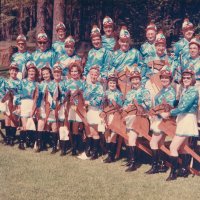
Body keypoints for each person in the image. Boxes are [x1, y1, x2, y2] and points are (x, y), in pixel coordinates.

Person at [161, 67, 199, 181]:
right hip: (183, 118)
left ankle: (174, 172)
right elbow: (178, 103)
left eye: (188, 77)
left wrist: (169, 113)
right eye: (184, 77)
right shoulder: (184, 89)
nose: (186, 79)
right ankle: (184, 169)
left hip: (187, 119)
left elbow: (183, 107)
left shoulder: (193, 90)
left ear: (192, 79)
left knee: (173, 146)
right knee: (182, 148)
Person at [146, 67, 176, 174]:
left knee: (153, 142)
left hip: (164, 120)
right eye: (162, 77)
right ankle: (162, 164)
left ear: (170, 79)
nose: (164, 79)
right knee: (160, 143)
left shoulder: (171, 91)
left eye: (166, 78)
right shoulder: (162, 90)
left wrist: (157, 113)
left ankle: (155, 166)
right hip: (158, 119)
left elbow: (169, 108)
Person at [123, 66, 151, 172]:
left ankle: (133, 163)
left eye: (137, 79)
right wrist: (126, 107)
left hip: (140, 117)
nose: (135, 81)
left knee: (131, 137)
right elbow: (125, 104)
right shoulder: (129, 93)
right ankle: (132, 159)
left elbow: (148, 105)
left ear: (140, 80)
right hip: (129, 117)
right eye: (133, 79)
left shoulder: (145, 91)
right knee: (127, 137)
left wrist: (138, 105)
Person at [82, 66, 104, 160]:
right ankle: (88, 151)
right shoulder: (86, 85)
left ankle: (95, 152)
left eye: (95, 74)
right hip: (87, 110)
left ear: (98, 76)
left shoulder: (99, 87)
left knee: (94, 132)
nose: (93, 76)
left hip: (95, 110)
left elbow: (99, 100)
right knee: (88, 132)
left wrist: (88, 102)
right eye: (92, 74)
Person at [47, 63, 68, 154]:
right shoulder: (50, 84)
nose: (57, 74)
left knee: (62, 126)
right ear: (53, 73)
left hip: (62, 106)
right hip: (53, 107)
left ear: (61, 73)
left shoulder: (65, 83)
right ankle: (54, 146)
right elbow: (48, 97)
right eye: (55, 72)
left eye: (58, 72)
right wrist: (51, 107)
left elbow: (67, 95)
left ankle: (63, 148)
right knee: (54, 127)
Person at [17, 61, 39, 150]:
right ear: (27, 72)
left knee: (31, 123)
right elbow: (18, 94)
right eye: (30, 71)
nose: (31, 73)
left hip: (33, 103)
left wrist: (35, 107)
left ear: (35, 72)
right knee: (24, 124)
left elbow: (38, 97)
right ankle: (21, 142)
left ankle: (29, 141)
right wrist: (18, 106)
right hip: (24, 103)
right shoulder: (22, 82)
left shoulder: (37, 84)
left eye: (33, 71)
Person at [103, 73, 123, 163]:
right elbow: (102, 105)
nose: (112, 85)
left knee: (113, 136)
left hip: (115, 116)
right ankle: (109, 154)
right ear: (108, 83)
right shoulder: (105, 93)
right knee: (107, 134)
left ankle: (112, 156)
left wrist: (116, 105)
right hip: (106, 115)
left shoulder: (119, 94)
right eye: (110, 83)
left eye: (114, 83)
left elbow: (121, 107)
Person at [66, 62, 85, 156]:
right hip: (70, 107)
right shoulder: (67, 82)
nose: (74, 73)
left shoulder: (82, 83)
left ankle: (79, 146)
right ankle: (73, 147)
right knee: (72, 127)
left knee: (79, 127)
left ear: (79, 72)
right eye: (72, 71)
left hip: (80, 108)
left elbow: (85, 96)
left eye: (76, 71)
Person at [0, 63, 21, 146]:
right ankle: (7, 138)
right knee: (7, 120)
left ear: (17, 72)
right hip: (7, 101)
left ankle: (12, 138)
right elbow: (1, 91)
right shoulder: (5, 81)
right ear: (9, 71)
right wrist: (3, 99)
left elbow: (20, 93)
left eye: (15, 71)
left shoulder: (19, 82)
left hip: (15, 102)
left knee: (14, 119)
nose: (14, 72)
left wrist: (18, 102)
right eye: (12, 70)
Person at [35, 64, 53, 152]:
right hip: (42, 105)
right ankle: (39, 143)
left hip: (51, 106)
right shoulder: (40, 84)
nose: (45, 75)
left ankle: (45, 143)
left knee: (47, 125)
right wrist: (37, 108)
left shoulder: (54, 83)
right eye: (44, 74)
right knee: (41, 122)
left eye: (47, 73)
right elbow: (37, 97)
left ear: (50, 73)